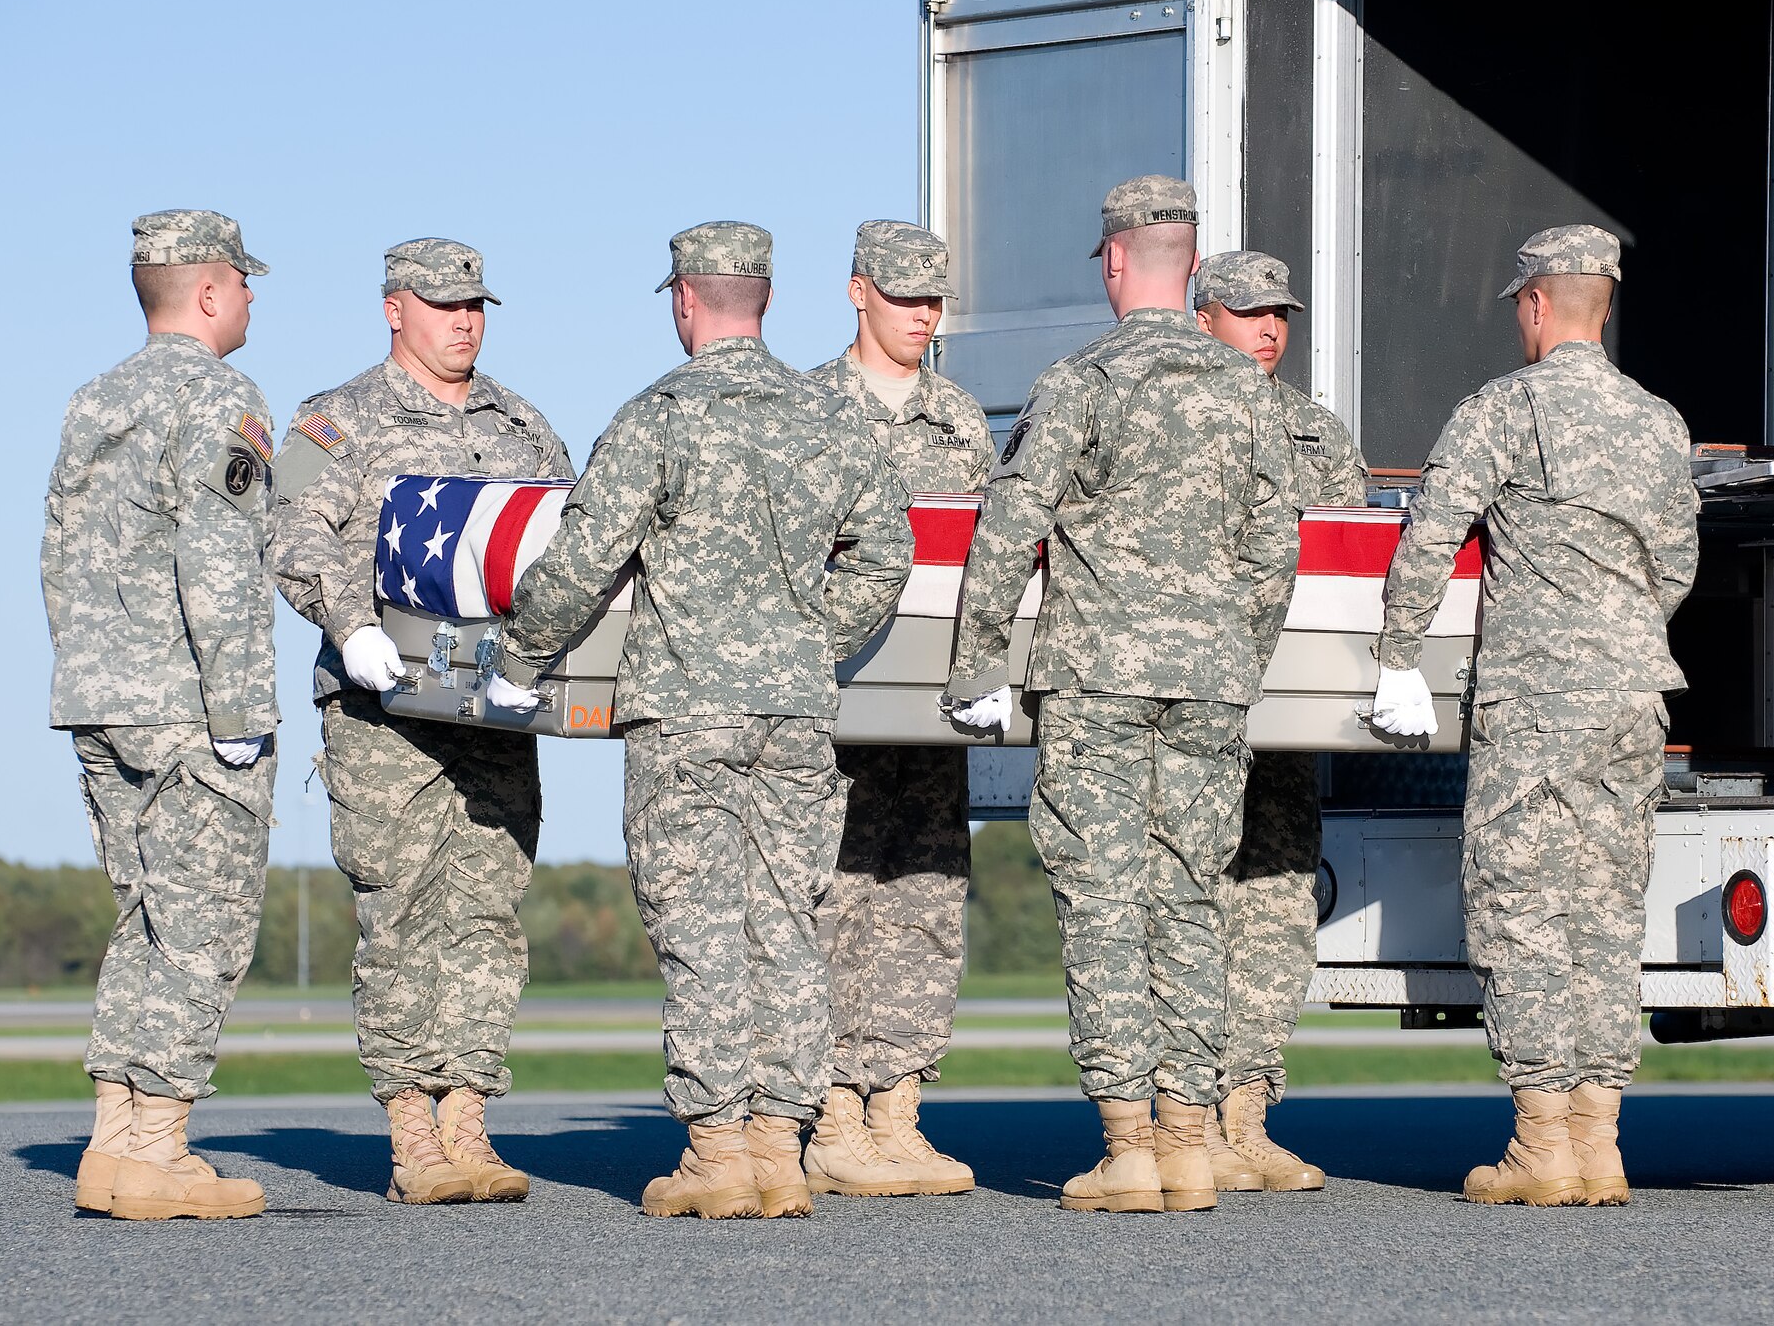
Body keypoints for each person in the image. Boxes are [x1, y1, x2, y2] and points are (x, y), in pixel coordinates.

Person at [487, 222, 913, 1220]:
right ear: (761, 301)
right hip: (795, 714)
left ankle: (719, 1152)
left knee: (702, 930)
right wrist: (814, 637)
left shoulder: (659, 416)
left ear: (685, 299)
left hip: (684, 713)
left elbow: (585, 556)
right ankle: (779, 1146)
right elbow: (885, 550)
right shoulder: (827, 417)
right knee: (786, 928)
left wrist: (517, 658)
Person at [942, 177, 1300, 1214]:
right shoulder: (1244, 391)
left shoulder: (1079, 381)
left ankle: (1129, 1148)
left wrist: (975, 669)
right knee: (1187, 898)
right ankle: (1192, 1142)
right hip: (1207, 685)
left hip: (1096, 681)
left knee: (1103, 907)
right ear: (1189, 270)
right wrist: (1239, 654)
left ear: (1111, 262)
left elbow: (1009, 528)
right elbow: (1275, 547)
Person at [1365, 224, 1698, 1206]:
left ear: (1538, 304)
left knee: (1520, 911)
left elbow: (1428, 536)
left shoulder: (1500, 410)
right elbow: (1674, 564)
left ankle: (1539, 1141)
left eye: (1518, 301)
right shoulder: (1657, 422)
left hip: (1532, 699)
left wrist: (1396, 658)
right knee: (1603, 914)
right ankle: (1600, 1142)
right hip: (1633, 693)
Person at [273, 239, 572, 1205]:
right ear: (394, 307)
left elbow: (566, 539)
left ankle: (468, 1119)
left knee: (487, 906)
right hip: (382, 703)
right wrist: (348, 625)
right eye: (444, 304)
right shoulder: (333, 419)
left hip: (495, 708)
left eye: (477, 305)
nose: (465, 320)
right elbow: (286, 531)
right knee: (399, 905)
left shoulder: (522, 423)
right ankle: (412, 1129)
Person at [42, 209, 277, 1220]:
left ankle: (113, 1142)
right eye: (246, 283)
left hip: (100, 692)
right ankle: (161, 1148)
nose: (253, 301)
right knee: (201, 924)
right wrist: (240, 708)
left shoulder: (93, 401)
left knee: (144, 914)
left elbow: (61, 550)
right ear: (214, 291)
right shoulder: (220, 397)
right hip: (188, 703)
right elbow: (219, 562)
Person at [804, 220, 991, 1198]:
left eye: (933, 300)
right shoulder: (806, 409)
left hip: (929, 711)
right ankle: (834, 1108)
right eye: (902, 295)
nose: (920, 315)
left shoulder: (959, 418)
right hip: (829, 704)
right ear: (856, 292)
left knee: (922, 895)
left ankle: (899, 1109)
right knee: (833, 897)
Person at [1193, 250, 1366, 1193]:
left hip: (1281, 715)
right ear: (1204, 313)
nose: (1271, 329)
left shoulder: (1313, 434)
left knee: (1273, 907)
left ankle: (1246, 1114)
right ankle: (1174, 1111)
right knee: (1180, 902)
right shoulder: (1170, 411)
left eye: (1282, 314)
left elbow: (1342, 565)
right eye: (1252, 311)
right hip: (1181, 706)